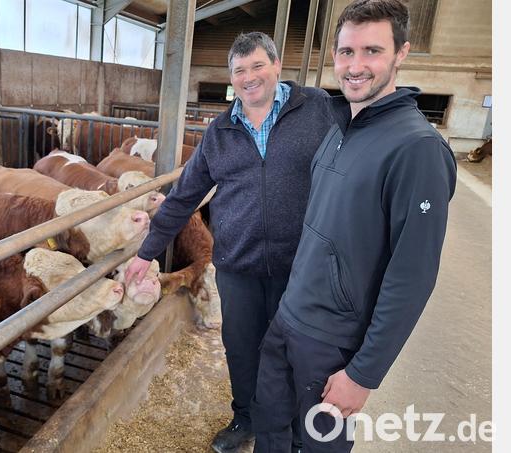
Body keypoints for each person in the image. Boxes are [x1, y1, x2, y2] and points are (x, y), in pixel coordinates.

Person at [250, 1, 458, 452]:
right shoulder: (341, 127)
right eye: (346, 52)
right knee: (270, 431)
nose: (355, 65)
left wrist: (364, 373)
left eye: (371, 51)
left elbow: (413, 274)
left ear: (401, 53)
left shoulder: (417, 149)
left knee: (318, 446)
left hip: (334, 345)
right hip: (290, 318)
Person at [124, 31, 333, 453]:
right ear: (231, 79)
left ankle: (292, 427)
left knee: (298, 352)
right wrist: (146, 254)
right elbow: (184, 197)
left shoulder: (318, 109)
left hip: (302, 265)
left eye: (257, 66)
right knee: (241, 348)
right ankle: (246, 418)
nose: (249, 77)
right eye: (239, 71)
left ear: (276, 66)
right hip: (239, 267)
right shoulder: (220, 132)